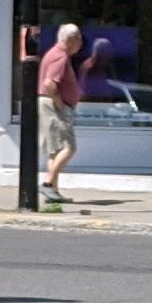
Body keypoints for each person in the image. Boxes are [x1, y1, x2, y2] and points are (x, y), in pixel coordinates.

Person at [36, 22, 87, 209]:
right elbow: (50, 83)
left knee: (56, 150)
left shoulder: (56, 54)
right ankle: (48, 184)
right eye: (79, 38)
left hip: (49, 104)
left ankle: (53, 193)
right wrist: (61, 105)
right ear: (71, 39)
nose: (81, 43)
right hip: (54, 106)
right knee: (69, 147)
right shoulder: (60, 56)